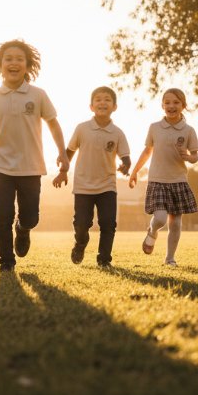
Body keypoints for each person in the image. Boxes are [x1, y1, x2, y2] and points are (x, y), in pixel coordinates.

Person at [0, 40, 69, 272]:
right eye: (8, 59)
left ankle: (23, 229)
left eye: (19, 59)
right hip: (0, 166)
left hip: (31, 166)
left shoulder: (38, 94)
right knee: (2, 215)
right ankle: (6, 262)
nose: (13, 63)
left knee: (31, 217)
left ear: (27, 65)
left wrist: (62, 153)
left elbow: (53, 124)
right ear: (0, 65)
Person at [52, 86, 131, 268]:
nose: (102, 102)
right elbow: (69, 151)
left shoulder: (117, 133)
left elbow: (125, 157)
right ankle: (80, 244)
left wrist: (125, 166)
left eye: (107, 100)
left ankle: (104, 260)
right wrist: (63, 171)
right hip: (83, 186)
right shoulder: (82, 129)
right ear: (91, 106)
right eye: (98, 99)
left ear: (114, 107)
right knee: (81, 224)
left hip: (107, 186)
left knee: (108, 224)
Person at [128, 88, 198, 266]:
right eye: (167, 102)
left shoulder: (189, 130)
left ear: (183, 106)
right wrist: (135, 171)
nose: (171, 106)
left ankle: (169, 258)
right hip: (157, 180)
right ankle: (152, 231)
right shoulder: (154, 127)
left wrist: (188, 156)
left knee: (175, 223)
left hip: (178, 181)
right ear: (162, 105)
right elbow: (147, 151)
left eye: (175, 102)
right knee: (160, 218)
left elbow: (195, 157)